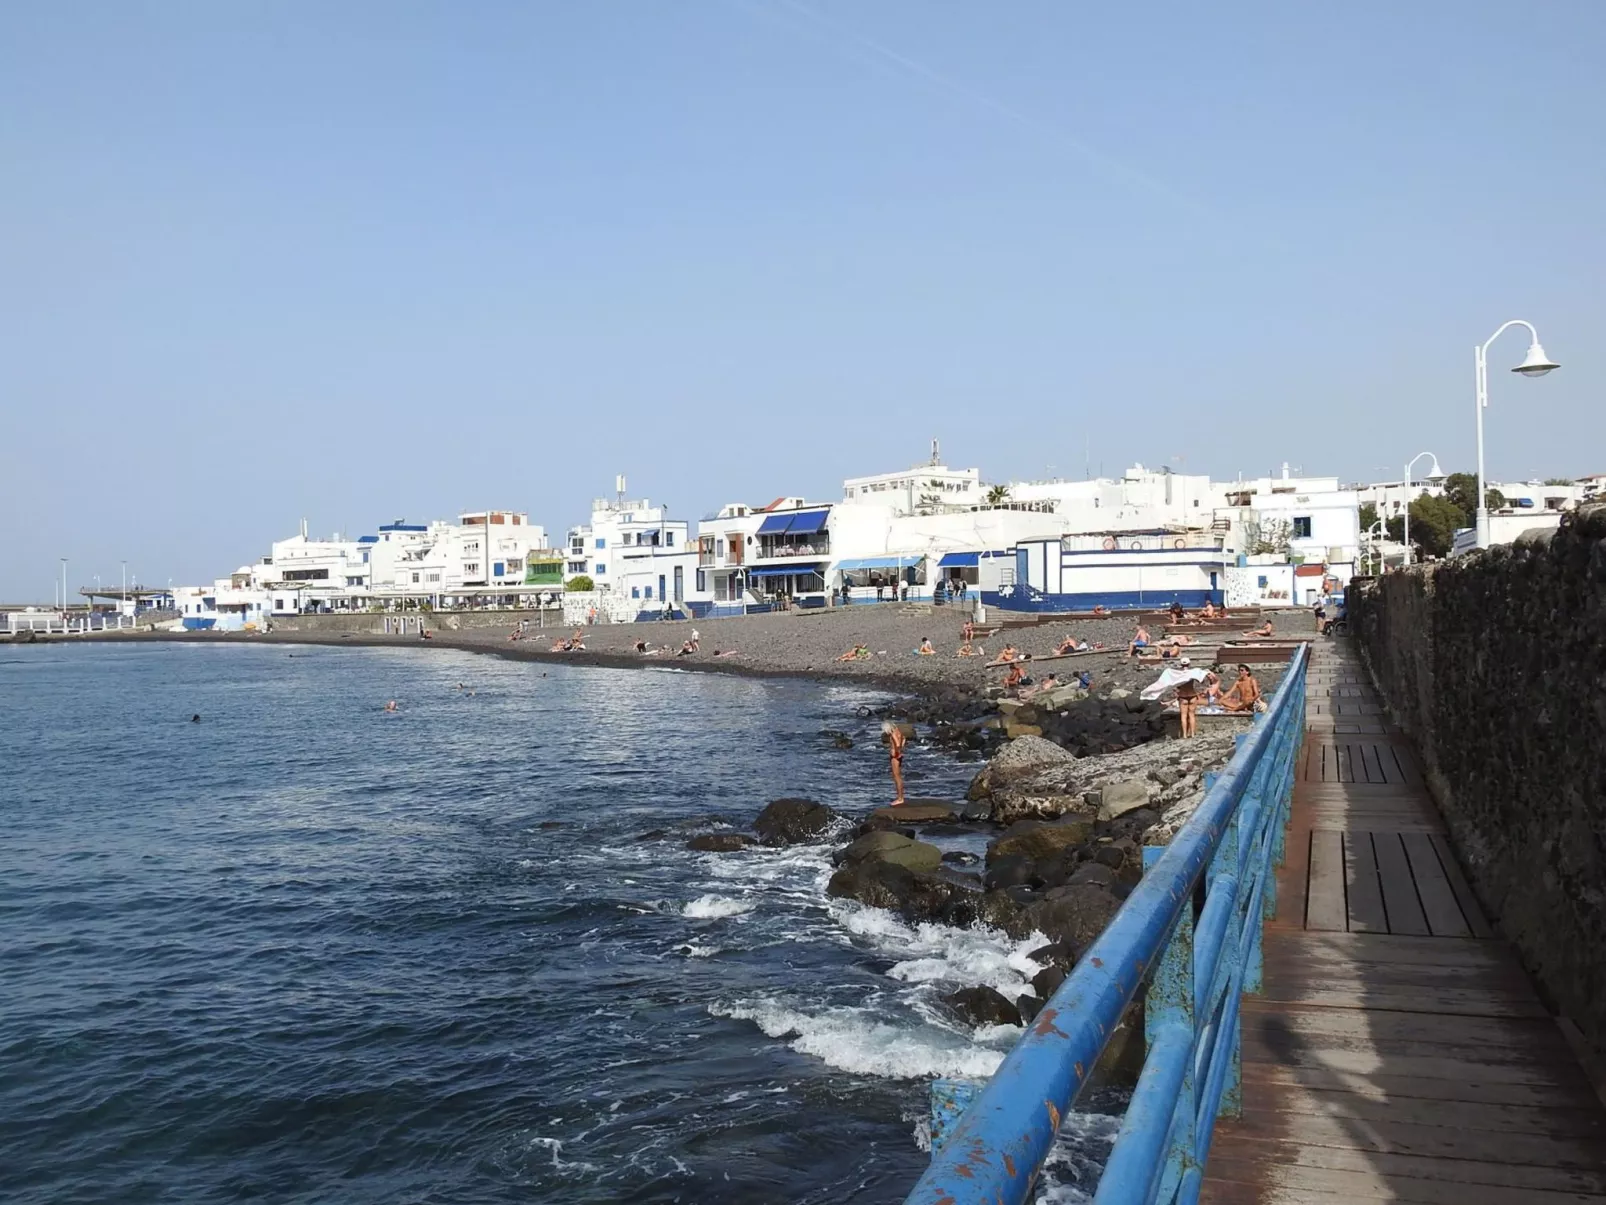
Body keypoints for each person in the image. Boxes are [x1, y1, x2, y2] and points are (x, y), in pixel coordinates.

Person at [883, 720, 907, 805]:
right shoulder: (898, 731)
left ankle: (900, 798)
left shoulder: (893, 734)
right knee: (898, 777)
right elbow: (904, 739)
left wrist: (897, 753)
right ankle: (900, 797)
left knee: (896, 777)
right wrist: (901, 749)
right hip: (898, 756)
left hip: (895, 757)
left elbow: (897, 744)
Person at [1172, 667, 1200, 737]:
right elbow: (1200, 680)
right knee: (1192, 715)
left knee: (1183, 716)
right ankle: (1192, 734)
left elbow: (1175, 685)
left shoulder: (1179, 674)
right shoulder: (1192, 673)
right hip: (1192, 695)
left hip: (1183, 696)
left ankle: (1184, 735)